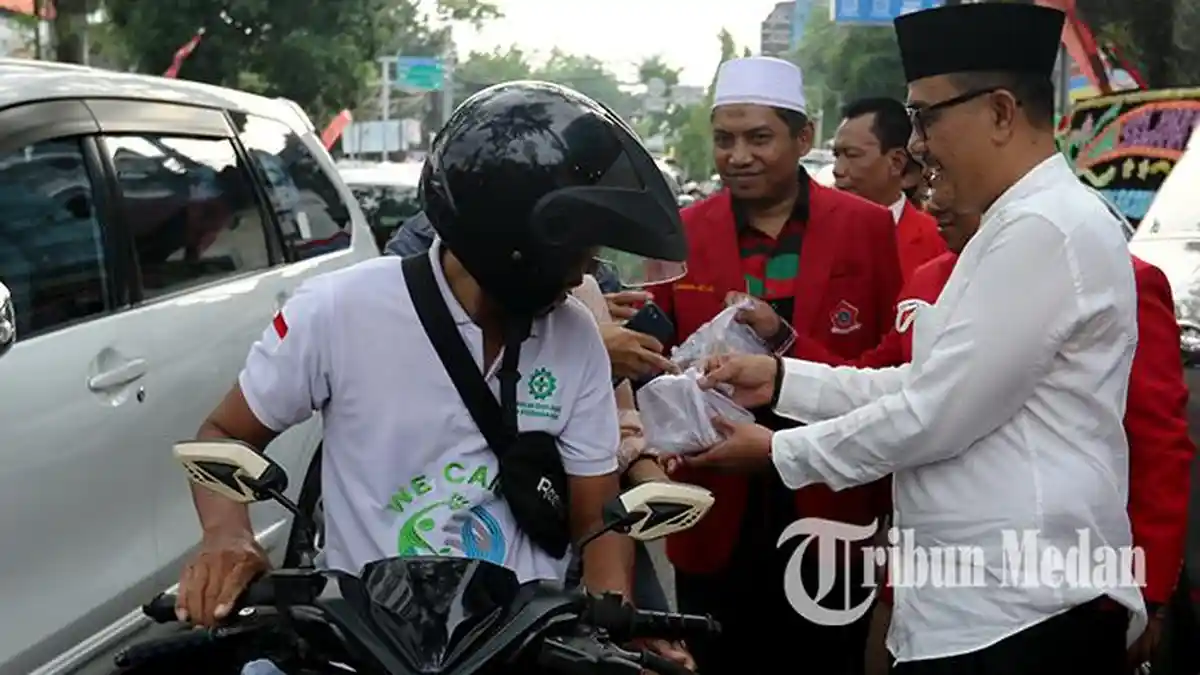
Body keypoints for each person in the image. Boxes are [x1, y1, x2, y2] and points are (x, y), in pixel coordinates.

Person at [686, 4, 1147, 674]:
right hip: (976, 603)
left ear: (1000, 113)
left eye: (926, 117)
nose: (918, 144)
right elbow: (927, 381)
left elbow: (935, 413)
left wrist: (781, 450)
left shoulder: (1045, 228)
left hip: (1021, 608)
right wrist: (783, 380)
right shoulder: (1012, 224)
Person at [172, 82, 690, 666]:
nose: (588, 269)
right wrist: (228, 536)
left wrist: (608, 632)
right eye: (576, 245)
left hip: (517, 647)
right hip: (363, 644)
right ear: (515, 241)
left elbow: (598, 519)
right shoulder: (339, 311)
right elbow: (225, 435)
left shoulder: (577, 339)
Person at [773, 177, 1193, 673]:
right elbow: (888, 381)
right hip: (931, 577)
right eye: (929, 178)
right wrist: (781, 369)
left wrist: (1149, 589)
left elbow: (1156, 442)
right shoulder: (932, 280)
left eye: (946, 177)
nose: (935, 202)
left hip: (1053, 585)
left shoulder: (1116, 277)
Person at [647, 56, 903, 675]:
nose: (738, 156)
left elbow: (889, 369)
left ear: (803, 137)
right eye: (725, 139)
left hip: (831, 504)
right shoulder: (681, 234)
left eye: (759, 138)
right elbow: (652, 357)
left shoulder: (866, 228)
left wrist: (785, 340)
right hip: (713, 506)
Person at [832, 97, 945, 281]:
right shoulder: (812, 233)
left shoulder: (938, 240)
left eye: (852, 155)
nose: (837, 170)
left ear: (896, 161)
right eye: (836, 156)